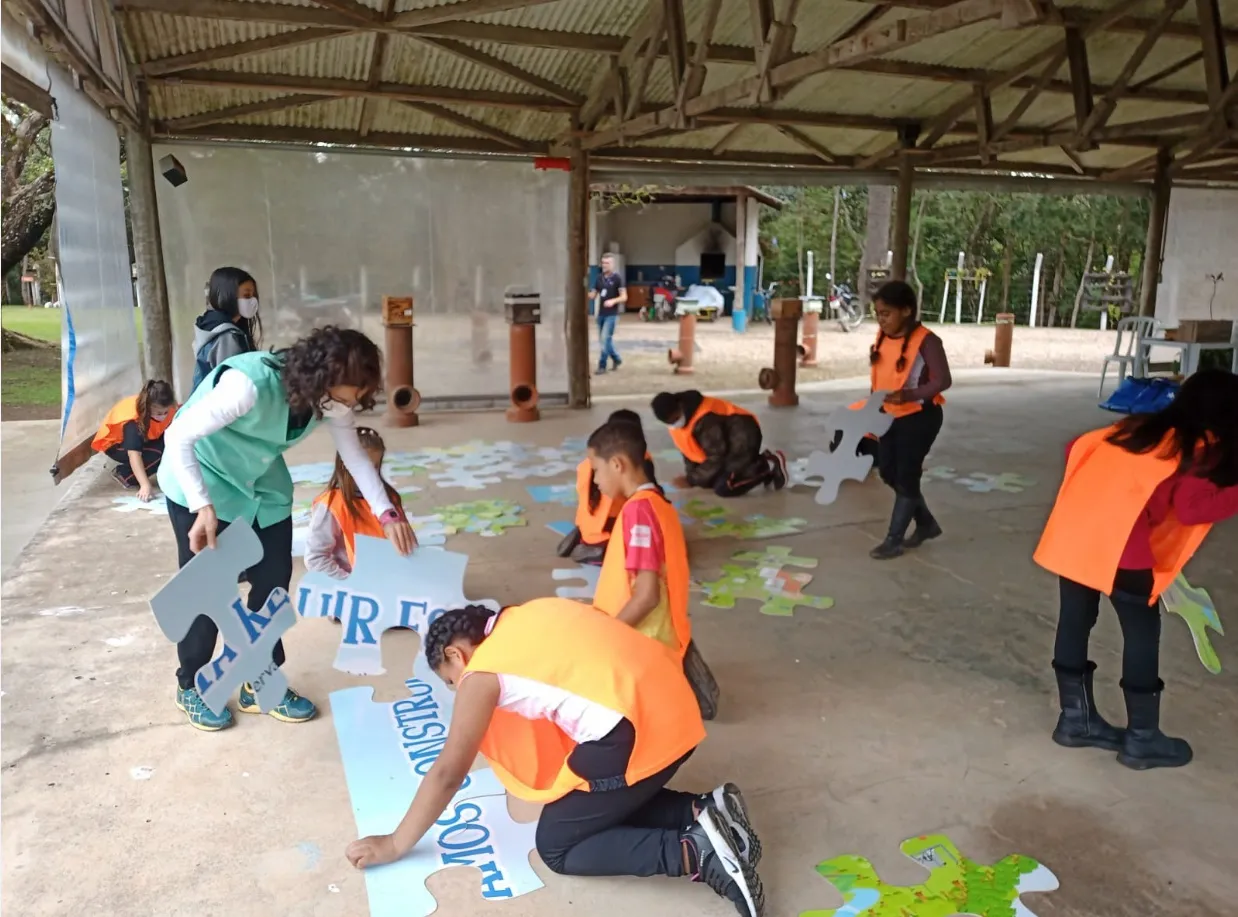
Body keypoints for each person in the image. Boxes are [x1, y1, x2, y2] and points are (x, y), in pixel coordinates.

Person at [345, 600, 766, 917]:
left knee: (559, 845)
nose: (459, 689)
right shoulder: (524, 615)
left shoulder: (483, 672)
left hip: (637, 732)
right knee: (586, 803)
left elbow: (447, 772)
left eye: (451, 681)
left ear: (456, 655)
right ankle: (704, 809)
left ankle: (697, 852)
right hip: (673, 706)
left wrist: (397, 843)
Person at [158, 326, 417, 731]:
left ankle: (258, 678)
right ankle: (191, 683)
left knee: (273, 583)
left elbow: (354, 456)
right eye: (355, 390)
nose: (358, 400)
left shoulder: (331, 401)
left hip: (260, 487)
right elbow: (177, 437)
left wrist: (388, 513)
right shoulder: (248, 385)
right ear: (325, 375)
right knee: (209, 590)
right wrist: (202, 505)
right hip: (201, 481)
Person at [1035, 369, 1238, 771]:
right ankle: (1143, 739)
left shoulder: (1136, 428)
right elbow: (1193, 507)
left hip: (1074, 534)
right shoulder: (1198, 447)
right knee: (1142, 633)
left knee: (1074, 622)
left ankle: (1075, 721)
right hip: (1122, 548)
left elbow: (1077, 447)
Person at [587, 417, 721, 720]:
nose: (594, 480)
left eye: (596, 469)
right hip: (653, 636)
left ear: (617, 464)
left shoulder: (639, 512)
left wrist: (607, 634)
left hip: (642, 641)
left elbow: (647, 596)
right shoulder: (657, 503)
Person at [863, 281, 953, 560]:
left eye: (886, 313)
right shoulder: (882, 336)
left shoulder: (927, 340)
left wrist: (910, 395)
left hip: (920, 417)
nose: (881, 319)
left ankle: (894, 539)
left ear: (906, 311)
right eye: (877, 313)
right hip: (889, 415)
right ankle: (925, 523)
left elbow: (943, 380)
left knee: (907, 475)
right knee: (888, 471)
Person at [556, 409, 660, 566]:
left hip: (586, 523)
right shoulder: (640, 460)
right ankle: (599, 550)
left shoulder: (588, 463)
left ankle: (584, 536)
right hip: (607, 533)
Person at [304, 426, 408, 578]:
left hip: (387, 583)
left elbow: (405, 545)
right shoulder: (331, 505)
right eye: (364, 468)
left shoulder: (390, 500)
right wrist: (351, 584)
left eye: (375, 467)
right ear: (344, 464)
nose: (368, 475)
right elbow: (315, 558)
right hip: (353, 591)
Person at [651, 391, 787, 496]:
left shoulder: (706, 420)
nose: (675, 423)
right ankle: (755, 465)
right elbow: (688, 450)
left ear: (680, 406)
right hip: (725, 446)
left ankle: (767, 464)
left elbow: (717, 457)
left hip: (742, 441)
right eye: (670, 422)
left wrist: (691, 480)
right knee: (707, 481)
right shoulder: (677, 423)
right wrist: (691, 476)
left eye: (675, 418)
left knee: (724, 487)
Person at [91, 380, 178, 500]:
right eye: (158, 413)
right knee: (159, 452)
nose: (163, 415)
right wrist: (145, 485)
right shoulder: (133, 422)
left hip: (143, 436)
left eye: (166, 412)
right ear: (148, 407)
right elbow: (134, 454)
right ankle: (125, 474)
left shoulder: (170, 408)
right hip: (116, 445)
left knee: (173, 441)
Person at [192, 266, 262, 390]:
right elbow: (232, 388)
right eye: (246, 295)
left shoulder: (209, 326)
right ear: (227, 295)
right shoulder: (226, 336)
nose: (253, 301)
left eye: (253, 295)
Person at [591, 252, 626, 375]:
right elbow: (593, 295)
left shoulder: (617, 278)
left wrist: (613, 301)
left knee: (605, 339)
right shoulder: (599, 278)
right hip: (601, 314)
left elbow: (624, 297)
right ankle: (616, 359)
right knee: (605, 340)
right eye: (603, 263)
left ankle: (602, 365)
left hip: (612, 314)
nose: (605, 265)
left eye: (607, 263)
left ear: (613, 264)